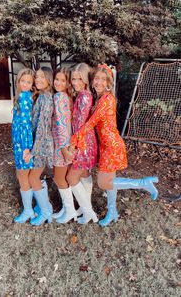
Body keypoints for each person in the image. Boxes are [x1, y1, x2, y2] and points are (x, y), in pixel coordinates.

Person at [71, 64, 159, 227]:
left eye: (102, 79)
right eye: (96, 78)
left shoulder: (107, 99)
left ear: (108, 83)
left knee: (103, 183)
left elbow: (91, 122)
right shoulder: (99, 98)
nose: (98, 82)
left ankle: (142, 184)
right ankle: (112, 212)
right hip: (105, 145)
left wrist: (75, 138)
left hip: (112, 146)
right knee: (109, 181)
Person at [66, 63, 98, 224]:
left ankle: (88, 211)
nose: (76, 82)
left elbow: (79, 125)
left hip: (83, 143)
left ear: (86, 80)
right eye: (73, 79)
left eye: (80, 79)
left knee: (71, 178)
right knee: (84, 174)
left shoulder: (84, 96)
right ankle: (85, 207)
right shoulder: (82, 95)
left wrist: (73, 146)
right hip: (86, 141)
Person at [24, 67, 54, 226]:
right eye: (37, 77)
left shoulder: (47, 98)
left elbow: (43, 127)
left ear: (48, 79)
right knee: (34, 176)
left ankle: (45, 211)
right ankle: (46, 207)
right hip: (38, 142)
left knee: (32, 177)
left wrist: (33, 151)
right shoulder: (40, 96)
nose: (38, 80)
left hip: (42, 145)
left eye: (42, 77)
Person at [51, 67, 76, 223]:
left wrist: (63, 149)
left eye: (63, 80)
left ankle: (70, 211)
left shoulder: (59, 97)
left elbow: (61, 125)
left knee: (59, 178)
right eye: (57, 79)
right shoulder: (66, 97)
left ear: (67, 83)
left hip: (61, 145)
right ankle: (67, 209)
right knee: (62, 178)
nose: (58, 83)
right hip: (65, 143)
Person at [12, 68, 35, 224]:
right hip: (18, 141)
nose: (25, 84)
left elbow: (27, 125)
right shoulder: (21, 96)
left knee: (23, 176)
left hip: (23, 143)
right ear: (18, 82)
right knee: (24, 175)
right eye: (23, 81)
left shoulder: (25, 98)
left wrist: (27, 148)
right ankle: (32, 208)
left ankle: (28, 211)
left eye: (29, 82)